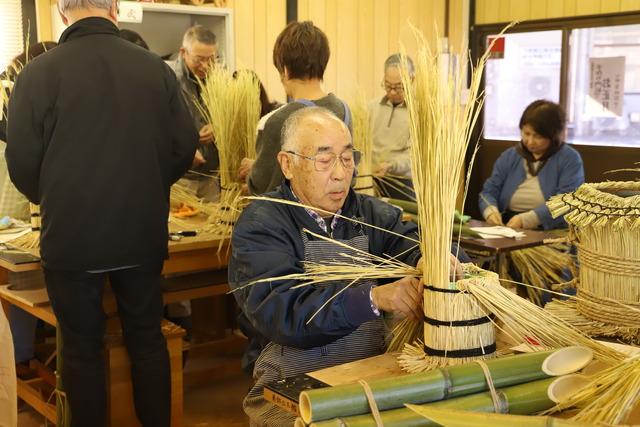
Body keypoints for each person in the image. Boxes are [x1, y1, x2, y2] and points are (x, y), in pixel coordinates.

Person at [6, 1, 198, 425]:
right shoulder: (155, 70)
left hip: (71, 236)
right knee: (147, 339)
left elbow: (19, 162)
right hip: (141, 231)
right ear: (114, 8)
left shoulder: (37, 74)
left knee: (80, 348)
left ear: (60, 13)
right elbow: (184, 146)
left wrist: (57, 195)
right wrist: (148, 186)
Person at [230, 107, 462, 426]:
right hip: (292, 383)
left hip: (371, 370)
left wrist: (431, 258)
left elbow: (410, 240)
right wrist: (373, 299)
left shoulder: (368, 213)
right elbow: (284, 314)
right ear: (287, 164)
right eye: (325, 161)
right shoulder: (263, 224)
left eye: (348, 158)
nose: (341, 173)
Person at [238, 21, 352, 196]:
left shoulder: (277, 120)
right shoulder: (343, 111)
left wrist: (254, 170)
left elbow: (263, 188)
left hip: (289, 222)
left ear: (285, 70)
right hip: (335, 219)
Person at [1, 42, 56, 381]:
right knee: (25, 279)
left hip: (23, 210)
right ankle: (19, 360)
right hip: (14, 211)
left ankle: (20, 356)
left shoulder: (17, 95)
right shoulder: (15, 101)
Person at [479, 99, 584, 230]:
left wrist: (528, 219)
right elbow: (488, 191)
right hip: (508, 225)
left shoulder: (570, 158)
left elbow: (567, 200)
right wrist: (490, 211)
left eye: (538, 136)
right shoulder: (510, 156)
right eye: (526, 133)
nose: (530, 141)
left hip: (550, 229)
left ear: (553, 135)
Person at [168, 24, 220, 201]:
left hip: (211, 176)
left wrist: (218, 127)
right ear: (183, 52)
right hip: (181, 178)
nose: (205, 66)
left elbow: (228, 117)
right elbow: (157, 124)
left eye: (211, 59)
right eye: (199, 59)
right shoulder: (168, 78)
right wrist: (187, 146)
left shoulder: (219, 79)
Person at [370, 53, 415, 200]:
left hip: (403, 185)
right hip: (371, 181)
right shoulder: (371, 108)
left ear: (412, 80)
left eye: (399, 87)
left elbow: (415, 157)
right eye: (388, 86)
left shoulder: (420, 114)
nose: (392, 92)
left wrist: (391, 165)